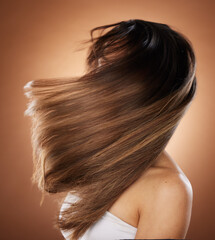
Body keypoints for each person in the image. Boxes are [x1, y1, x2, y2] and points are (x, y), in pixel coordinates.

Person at [24, 18, 197, 240]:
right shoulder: (106, 158)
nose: (98, 82)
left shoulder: (168, 190)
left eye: (117, 72)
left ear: (152, 90)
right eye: (101, 67)